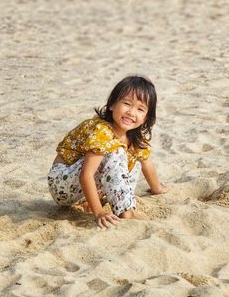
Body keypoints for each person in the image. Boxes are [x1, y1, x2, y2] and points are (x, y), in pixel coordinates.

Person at [48, 75, 167, 229]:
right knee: (116, 151)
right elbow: (86, 174)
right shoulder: (102, 131)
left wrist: (157, 189)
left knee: (133, 161)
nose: (131, 112)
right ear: (111, 105)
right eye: (126, 103)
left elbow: (146, 163)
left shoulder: (136, 136)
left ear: (145, 118)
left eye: (140, 109)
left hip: (83, 189)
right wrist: (98, 213)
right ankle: (126, 211)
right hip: (62, 184)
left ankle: (106, 202)